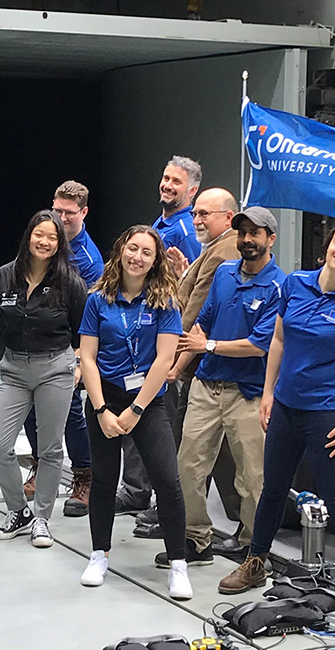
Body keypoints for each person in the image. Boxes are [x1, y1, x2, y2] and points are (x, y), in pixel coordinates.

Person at [218, 220, 335, 618]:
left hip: (328, 414)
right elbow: (277, 340)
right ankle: (256, 561)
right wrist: (267, 393)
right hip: (286, 408)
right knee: (273, 489)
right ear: (327, 245)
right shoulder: (296, 284)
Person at [155, 207, 285, 569]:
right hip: (207, 386)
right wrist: (176, 368)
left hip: (248, 392)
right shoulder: (225, 273)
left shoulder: (279, 287)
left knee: (252, 476)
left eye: (255, 233)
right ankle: (196, 540)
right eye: (242, 232)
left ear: (270, 239)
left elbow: (259, 345)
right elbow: (203, 324)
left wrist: (206, 348)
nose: (247, 240)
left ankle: (252, 546)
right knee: (188, 465)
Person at [78, 225, 192, 600]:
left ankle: (178, 563)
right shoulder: (98, 299)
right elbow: (88, 359)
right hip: (105, 398)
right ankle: (99, 554)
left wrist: (137, 409)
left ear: (155, 260)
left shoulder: (164, 301)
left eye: (146, 251)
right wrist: (101, 410)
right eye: (132, 248)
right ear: (121, 250)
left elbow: (164, 359)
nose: (137, 257)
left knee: (167, 480)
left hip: (148, 400)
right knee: (105, 480)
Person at [137, 189, 245, 554]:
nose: (196, 220)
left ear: (228, 218)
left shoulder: (225, 251)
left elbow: (197, 313)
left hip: (209, 367)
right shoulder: (214, 249)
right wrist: (184, 272)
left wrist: (169, 358)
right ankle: (186, 522)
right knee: (195, 451)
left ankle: (231, 528)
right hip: (199, 367)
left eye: (205, 214)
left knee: (207, 452)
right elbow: (194, 294)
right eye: (196, 214)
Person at [0, 210, 87, 549]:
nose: (44, 242)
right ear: (28, 236)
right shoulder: (4, 276)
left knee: (50, 448)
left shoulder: (70, 283)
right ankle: (19, 511)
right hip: (14, 368)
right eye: (38, 234)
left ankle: (42, 518)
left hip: (55, 367)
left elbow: (83, 331)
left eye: (52, 237)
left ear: (59, 244)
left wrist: (79, 367)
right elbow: (1, 319)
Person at [115, 156, 204, 515]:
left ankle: (148, 493)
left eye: (176, 182)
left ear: (192, 190)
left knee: (157, 422)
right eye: (165, 178)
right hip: (141, 344)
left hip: (163, 347)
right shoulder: (161, 222)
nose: (167, 185)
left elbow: (194, 293)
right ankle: (136, 488)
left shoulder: (185, 231)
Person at [21, 180, 103, 517]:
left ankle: (84, 477)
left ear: (83, 213)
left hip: (67, 347)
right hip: (34, 344)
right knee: (29, 409)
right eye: (58, 210)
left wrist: (80, 361)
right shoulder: (41, 239)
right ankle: (41, 465)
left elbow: (89, 315)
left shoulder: (87, 259)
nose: (62, 217)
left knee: (69, 413)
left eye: (69, 213)